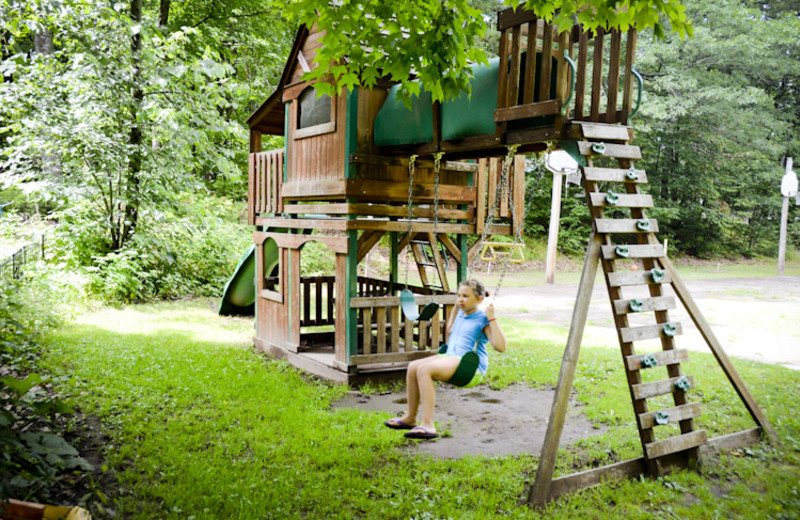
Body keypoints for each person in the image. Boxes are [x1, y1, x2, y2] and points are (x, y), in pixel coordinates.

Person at [384, 279, 507, 439]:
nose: (460, 299)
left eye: (465, 296)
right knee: (413, 366)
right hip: (451, 356)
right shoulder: (462, 314)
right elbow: (450, 329)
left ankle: (428, 425)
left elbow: (501, 346)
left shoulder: (482, 319)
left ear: (479, 299)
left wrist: (492, 318)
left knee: (424, 369)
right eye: (459, 295)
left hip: (468, 366)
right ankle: (410, 417)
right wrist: (457, 307)